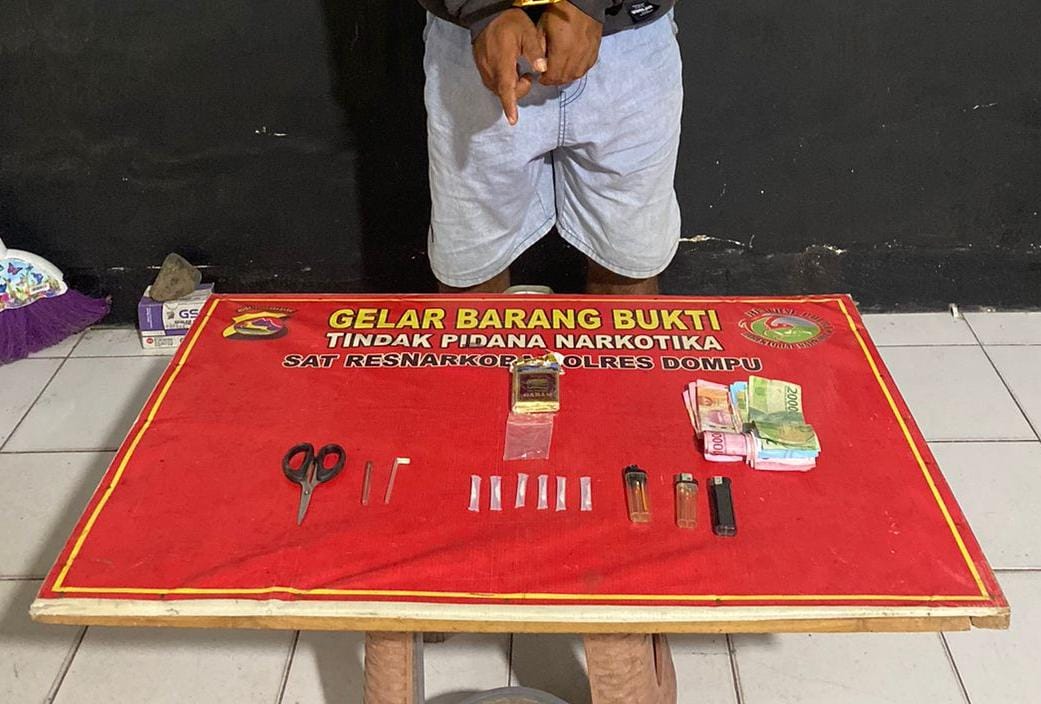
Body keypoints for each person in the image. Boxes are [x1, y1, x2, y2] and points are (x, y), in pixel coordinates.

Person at [418, 0, 682, 295]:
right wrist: (482, 9)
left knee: (628, 265)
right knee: (471, 272)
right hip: (475, 38)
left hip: (627, 39)